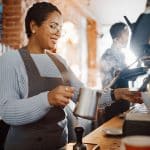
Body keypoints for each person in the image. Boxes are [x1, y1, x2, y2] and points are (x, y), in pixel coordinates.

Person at [0, 2, 142, 150]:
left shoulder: (59, 61)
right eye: (53, 26)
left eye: (60, 28)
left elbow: (83, 96)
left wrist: (116, 94)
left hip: (60, 145)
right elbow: (7, 111)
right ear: (34, 26)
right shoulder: (11, 60)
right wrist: (47, 99)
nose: (58, 33)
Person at [99, 22, 130, 123]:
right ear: (119, 35)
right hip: (113, 106)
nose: (128, 37)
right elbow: (107, 84)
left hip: (123, 103)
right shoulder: (109, 55)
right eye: (127, 34)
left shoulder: (121, 56)